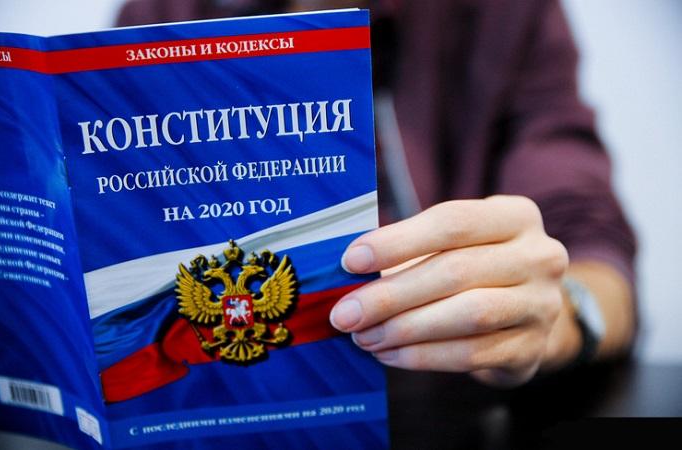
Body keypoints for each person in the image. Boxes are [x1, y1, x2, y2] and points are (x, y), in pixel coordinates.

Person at [117, 0, 637, 387]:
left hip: (451, 404)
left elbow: (592, 241)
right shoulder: (163, 16)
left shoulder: (502, 13)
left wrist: (557, 316)